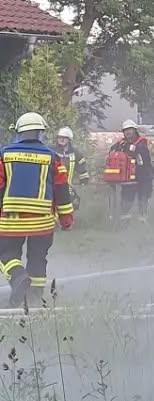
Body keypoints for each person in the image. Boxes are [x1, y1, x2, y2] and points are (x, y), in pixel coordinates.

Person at [0, 113, 73, 306]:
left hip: (11, 221)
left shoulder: (5, 154)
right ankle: (33, 299)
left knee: (6, 254)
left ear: (18, 132)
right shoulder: (52, 157)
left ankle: (17, 278)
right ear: (41, 133)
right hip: (42, 223)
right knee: (38, 258)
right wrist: (66, 219)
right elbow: (62, 190)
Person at [108, 121, 154, 219]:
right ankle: (125, 223)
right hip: (129, 179)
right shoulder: (121, 144)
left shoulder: (141, 145)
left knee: (142, 200)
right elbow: (112, 153)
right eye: (126, 130)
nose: (128, 132)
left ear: (135, 130)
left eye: (130, 130)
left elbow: (144, 162)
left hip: (143, 178)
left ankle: (142, 222)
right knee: (126, 201)